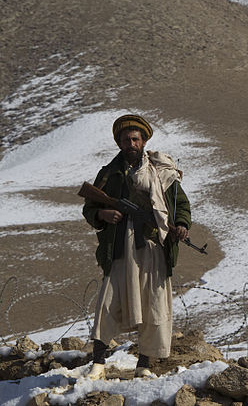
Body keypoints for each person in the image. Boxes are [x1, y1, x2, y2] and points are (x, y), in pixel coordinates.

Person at [82, 114, 191, 379]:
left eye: (135, 139)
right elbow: (90, 208)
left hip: (153, 246)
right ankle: (98, 364)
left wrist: (180, 224)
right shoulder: (109, 173)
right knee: (108, 303)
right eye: (125, 139)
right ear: (119, 143)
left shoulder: (161, 171)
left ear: (143, 141)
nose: (130, 143)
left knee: (152, 304)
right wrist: (104, 215)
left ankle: (144, 364)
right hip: (119, 247)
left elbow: (180, 206)